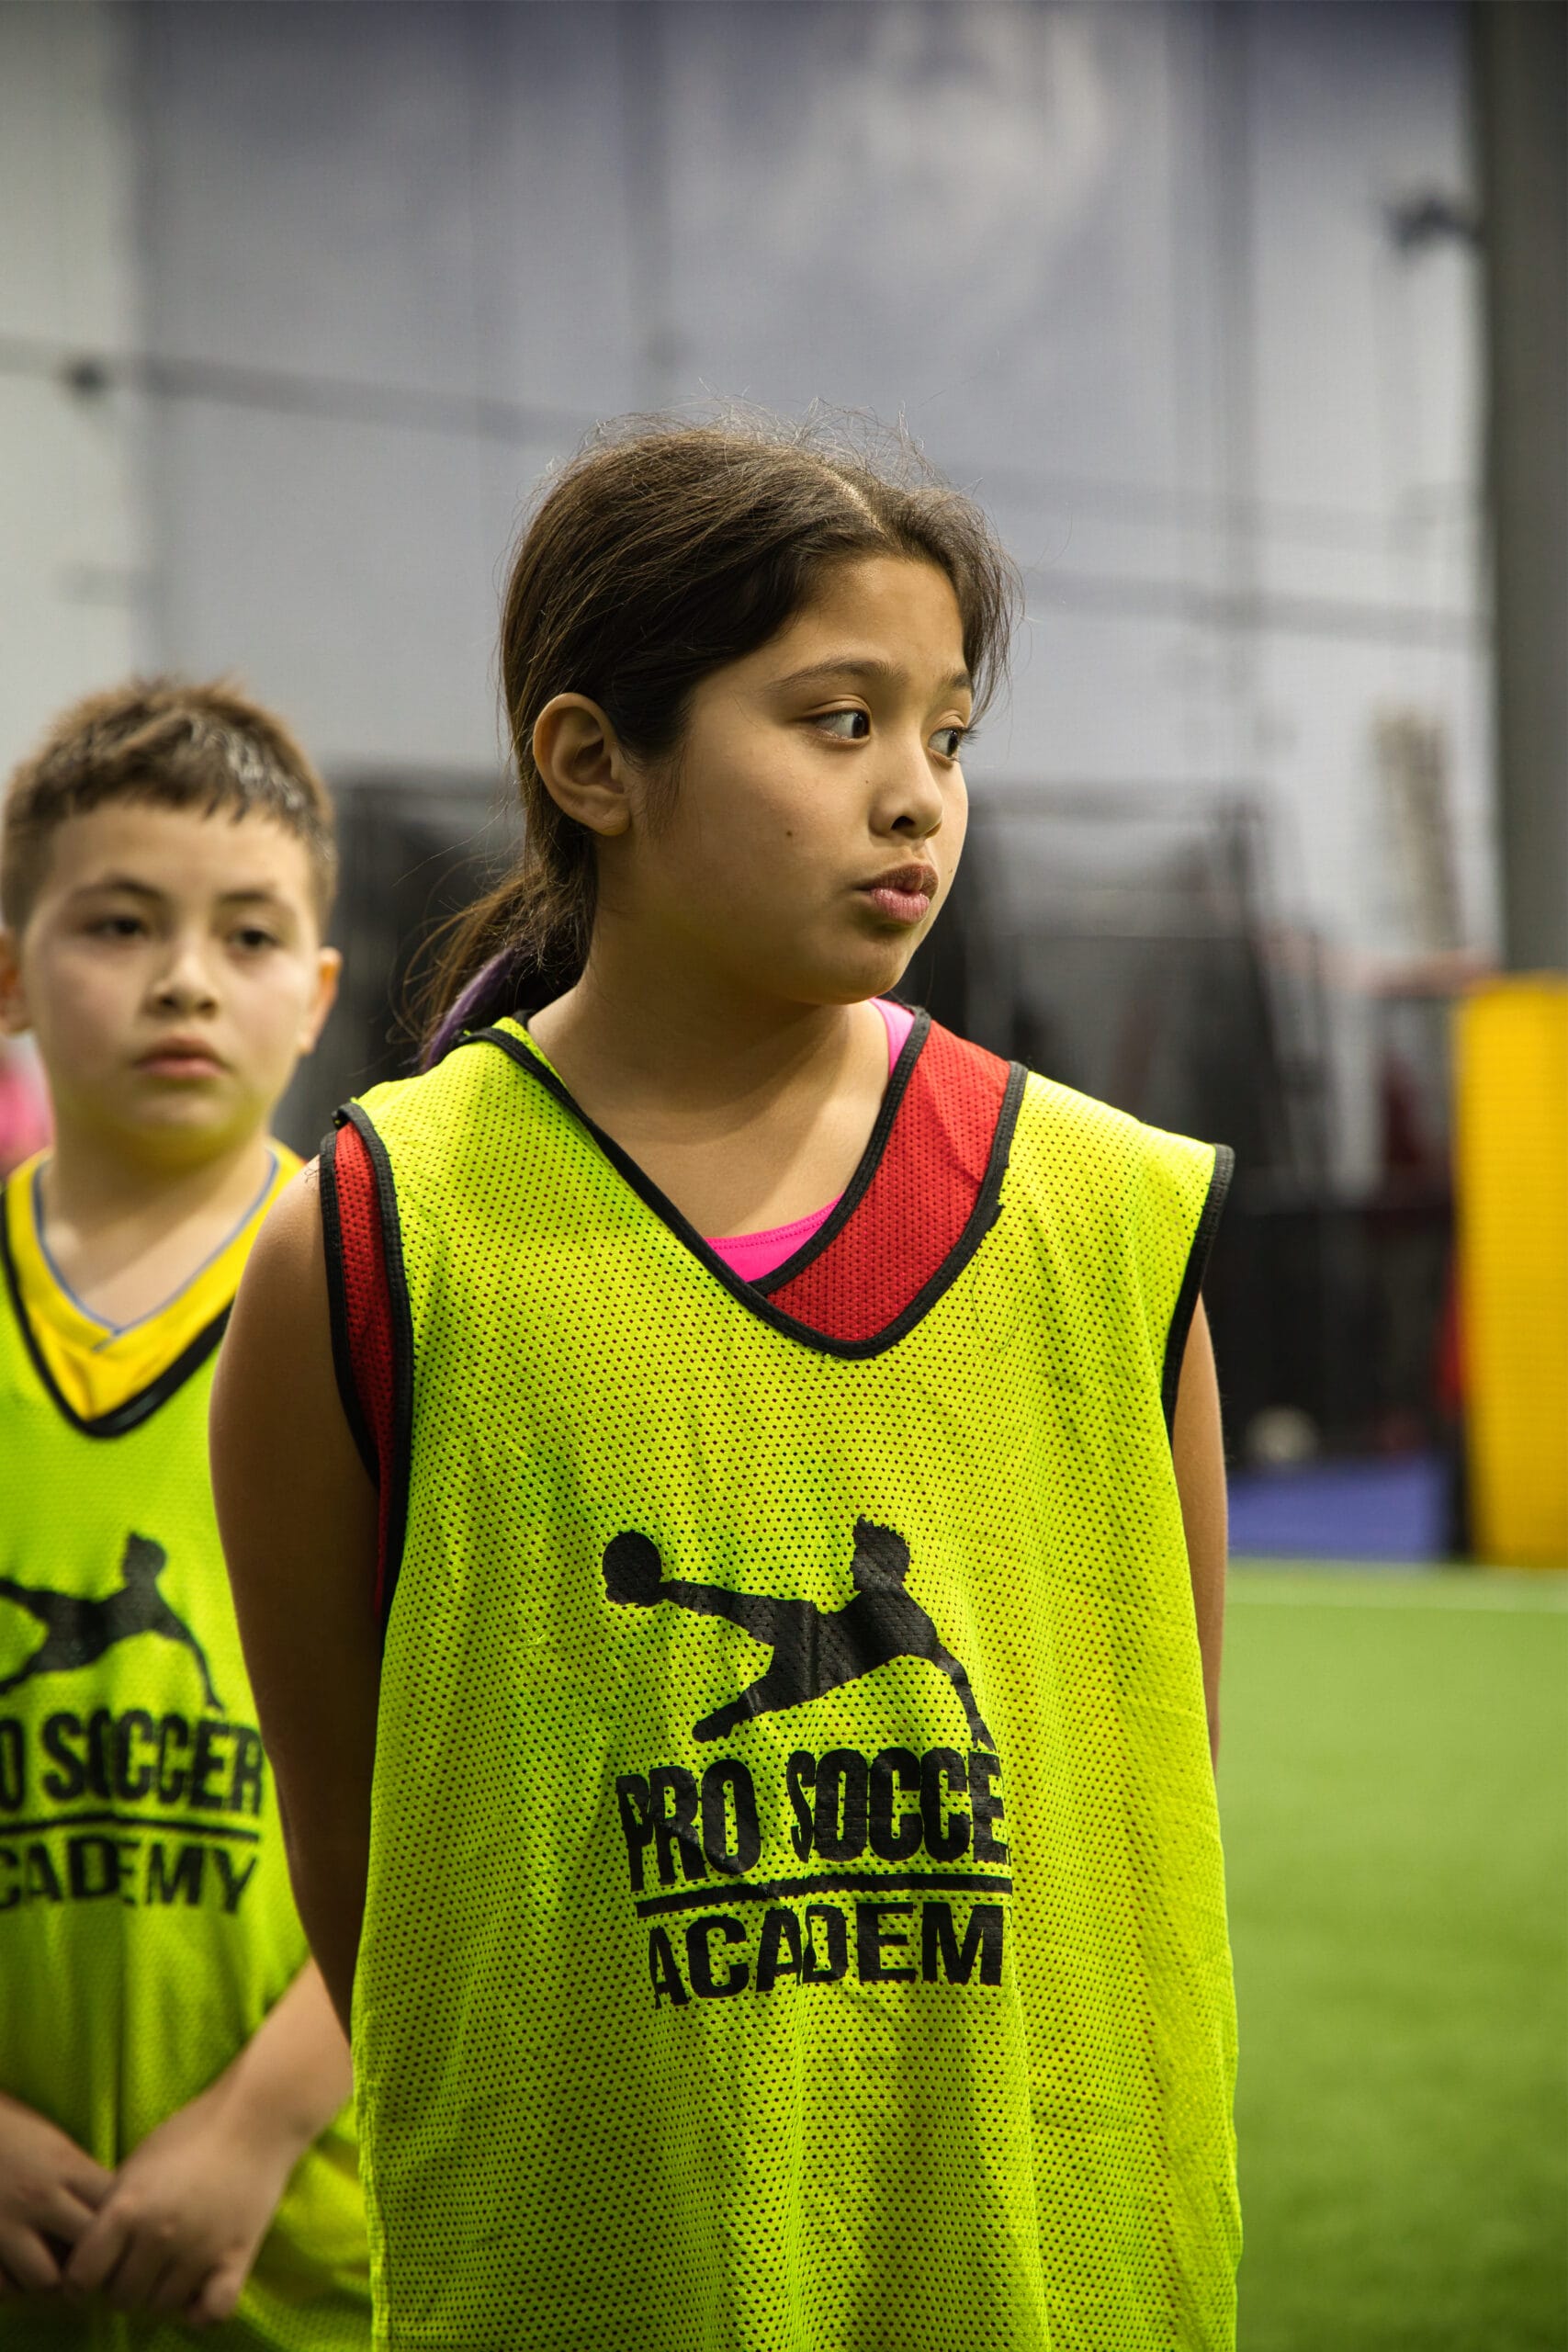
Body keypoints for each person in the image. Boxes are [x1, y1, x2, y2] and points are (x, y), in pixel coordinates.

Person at [213, 414, 1241, 2350]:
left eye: (946, 734)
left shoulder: (1110, 1219)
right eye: (838, 720)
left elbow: (1143, 1806)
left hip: (1045, 2279)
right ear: (591, 759)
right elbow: (375, 1896)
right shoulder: (366, 1243)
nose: (915, 796)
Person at [0, 680, 371, 2346]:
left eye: (248, 934)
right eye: (120, 923)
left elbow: (478, 1796)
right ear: (10, 972)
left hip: (312, 2252)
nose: (184, 980)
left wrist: (256, 2127)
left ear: (317, 993)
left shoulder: (391, 1315)